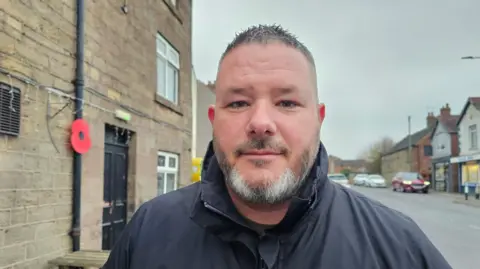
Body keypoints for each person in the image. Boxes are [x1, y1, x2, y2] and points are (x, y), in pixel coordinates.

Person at [103, 24, 452, 269]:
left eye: (286, 103)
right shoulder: (149, 231)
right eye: (238, 103)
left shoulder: (397, 245)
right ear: (213, 118)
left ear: (318, 118)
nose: (260, 122)